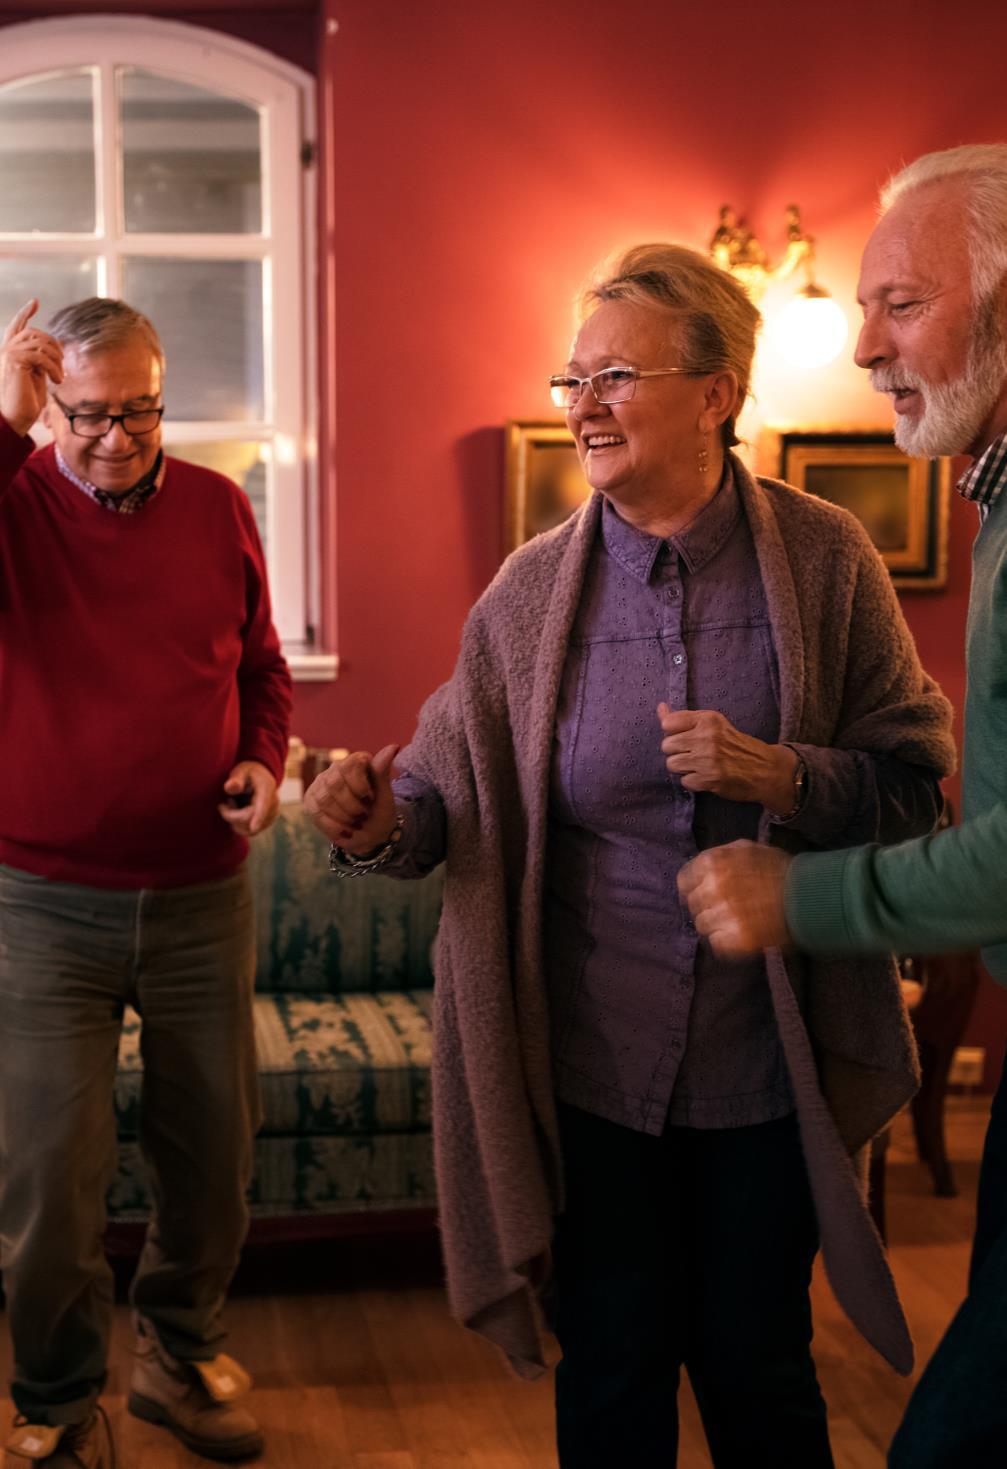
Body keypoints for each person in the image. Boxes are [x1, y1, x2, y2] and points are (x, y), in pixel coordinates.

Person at [304, 242, 956, 1468]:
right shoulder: (526, 592)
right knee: (609, 1377)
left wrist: (782, 774)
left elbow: (916, 784)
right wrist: (376, 821)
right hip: (590, 1068)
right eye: (572, 380)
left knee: (757, 1367)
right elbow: (446, 802)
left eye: (614, 376)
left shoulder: (823, 562)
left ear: (715, 392)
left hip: (766, 1066)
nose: (582, 406)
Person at [678, 143, 1007, 1469]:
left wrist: (794, 884)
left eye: (900, 304)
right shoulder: (994, 494)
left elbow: (915, 771)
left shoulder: (822, 557)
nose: (861, 344)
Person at [0, 297, 292, 1468]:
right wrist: (5, 428)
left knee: (210, 1155)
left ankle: (179, 1350)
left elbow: (262, 669)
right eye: (88, 415)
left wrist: (260, 763)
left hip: (197, 895)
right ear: (51, 398)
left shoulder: (220, 505)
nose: (117, 438)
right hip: (38, 905)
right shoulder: (16, 501)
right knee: (48, 1182)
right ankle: (59, 1399)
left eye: (140, 411)